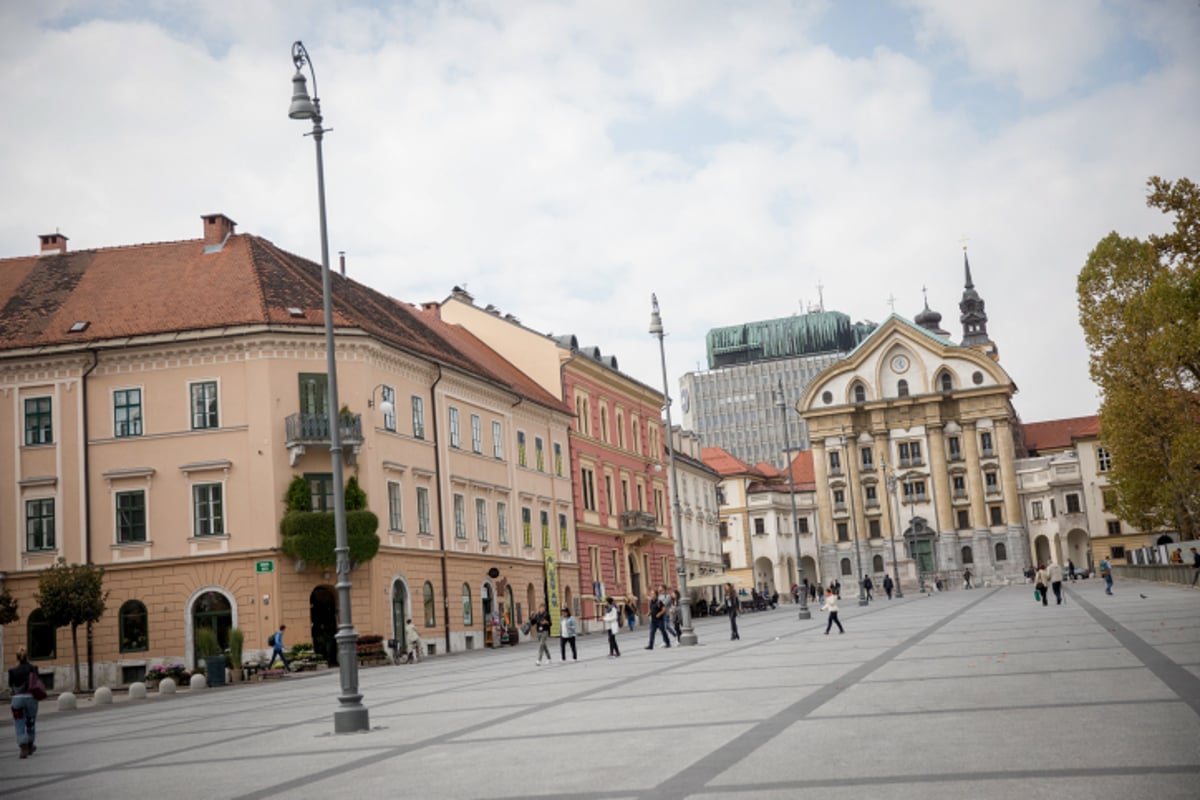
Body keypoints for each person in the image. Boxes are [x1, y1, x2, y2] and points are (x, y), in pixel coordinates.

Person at [8, 648, 39, 759]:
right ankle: (30, 745)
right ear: (27, 656)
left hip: (17, 699)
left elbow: (11, 685)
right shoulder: (33, 668)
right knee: (30, 722)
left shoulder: (12, 670)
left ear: (17, 657)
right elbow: (37, 682)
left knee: (19, 723)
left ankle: (23, 746)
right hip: (30, 698)